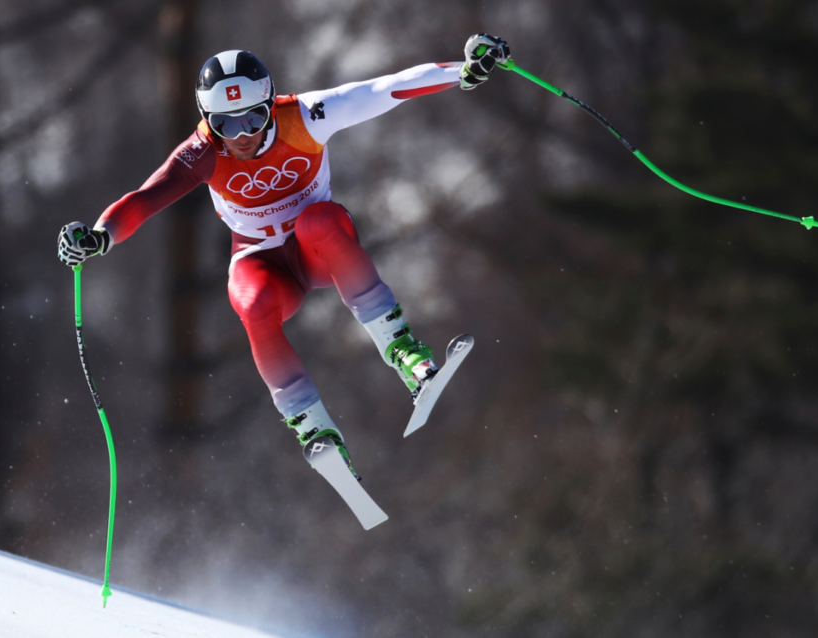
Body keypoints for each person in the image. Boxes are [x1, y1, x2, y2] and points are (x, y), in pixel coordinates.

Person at [58, 34, 511, 478]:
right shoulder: (201, 152)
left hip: (317, 249)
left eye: (253, 119)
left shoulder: (305, 117)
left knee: (320, 220)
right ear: (206, 119)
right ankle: (312, 426)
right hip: (262, 261)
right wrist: (99, 237)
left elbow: (384, 89)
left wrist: (463, 72)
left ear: (270, 104)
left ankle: (407, 356)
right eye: (226, 125)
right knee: (251, 304)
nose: (242, 137)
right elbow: (145, 198)